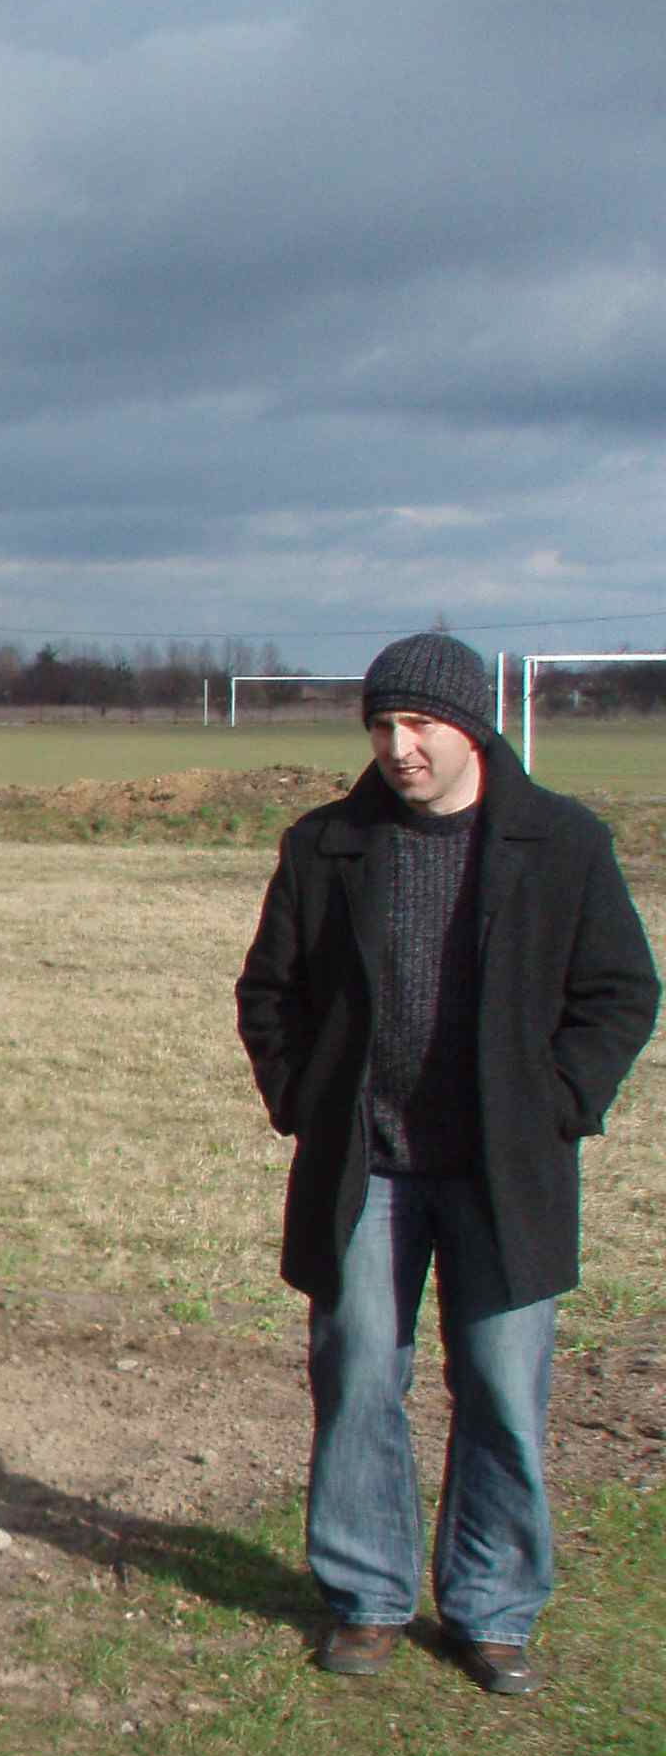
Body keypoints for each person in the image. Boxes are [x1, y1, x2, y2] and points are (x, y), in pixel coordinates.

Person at [236, 633, 653, 1696]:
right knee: (360, 1373)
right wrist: (304, 1102)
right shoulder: (325, 845)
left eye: (418, 724)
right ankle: (368, 1597)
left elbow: (620, 991)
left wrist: (557, 1105)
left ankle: (493, 1609)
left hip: (504, 1173)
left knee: (503, 1390)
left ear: (472, 726)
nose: (398, 746)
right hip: (362, 1171)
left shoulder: (563, 843)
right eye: (381, 726)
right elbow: (268, 993)